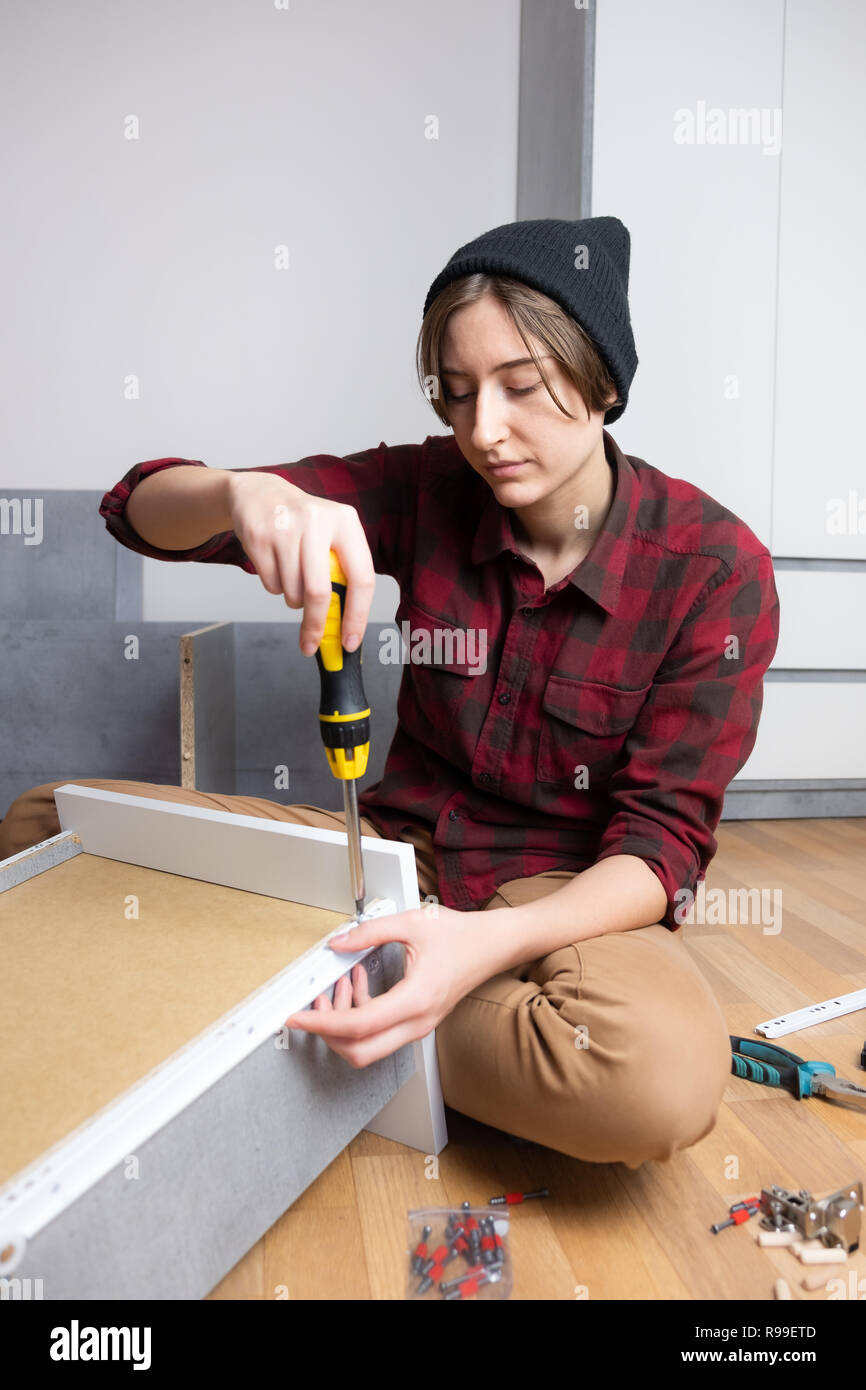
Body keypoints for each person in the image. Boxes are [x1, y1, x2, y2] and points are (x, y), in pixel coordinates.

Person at [0, 217, 780, 1167]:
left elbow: (661, 851)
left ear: (605, 382)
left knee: (649, 1077)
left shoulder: (714, 568)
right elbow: (138, 511)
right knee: (50, 829)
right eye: (456, 395)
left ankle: (276, 1006)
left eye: (521, 388)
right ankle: (349, 1008)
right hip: (377, 862)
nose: (482, 431)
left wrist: (478, 949)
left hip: (556, 904)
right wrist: (241, 495)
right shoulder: (425, 485)